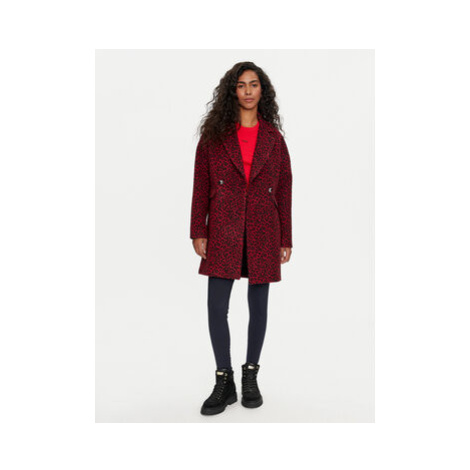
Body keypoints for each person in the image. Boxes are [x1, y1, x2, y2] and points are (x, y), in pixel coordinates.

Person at [190, 61, 293, 416]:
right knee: (216, 306)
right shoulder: (214, 136)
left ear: (262, 91)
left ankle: (251, 376)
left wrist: (286, 237)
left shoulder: (274, 139)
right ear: (232, 91)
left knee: (258, 306)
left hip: (264, 228)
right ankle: (224, 380)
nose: (248, 91)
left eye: (254, 84)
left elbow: (285, 188)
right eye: (241, 85)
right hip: (224, 227)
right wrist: (198, 229)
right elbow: (200, 184)